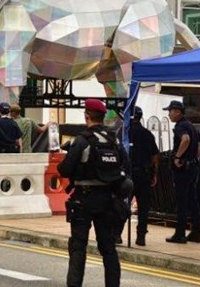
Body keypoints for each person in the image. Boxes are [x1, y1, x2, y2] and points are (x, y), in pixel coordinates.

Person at [57, 99, 129, 287]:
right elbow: (125, 165)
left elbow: (64, 170)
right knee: (108, 248)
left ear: (87, 115)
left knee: (78, 248)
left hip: (84, 198)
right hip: (108, 199)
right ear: (103, 117)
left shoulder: (82, 140)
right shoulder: (114, 140)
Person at [163, 101, 200, 244]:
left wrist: (177, 157)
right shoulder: (190, 125)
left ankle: (180, 234)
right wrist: (197, 157)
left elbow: (186, 139)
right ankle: (196, 232)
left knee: (181, 201)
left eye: (170, 111)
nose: (168, 114)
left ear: (177, 111)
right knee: (192, 200)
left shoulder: (180, 126)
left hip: (183, 169)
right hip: (193, 168)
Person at [126, 106, 159, 246]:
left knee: (123, 204)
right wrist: (154, 173)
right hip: (143, 174)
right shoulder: (147, 134)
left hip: (127, 175)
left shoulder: (124, 133)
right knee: (143, 208)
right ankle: (141, 236)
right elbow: (155, 156)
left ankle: (116, 234)